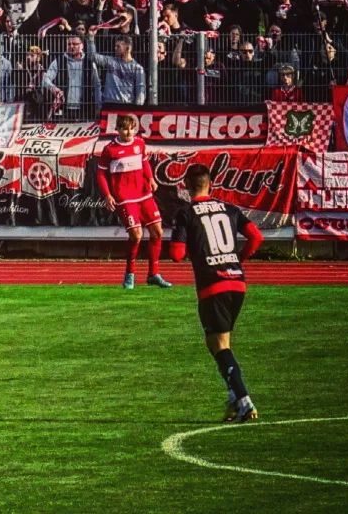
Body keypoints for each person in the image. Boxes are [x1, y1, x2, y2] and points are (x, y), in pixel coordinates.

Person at [169, 163, 264, 423]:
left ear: (187, 187)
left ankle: (244, 400)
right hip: (237, 282)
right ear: (211, 184)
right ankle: (234, 400)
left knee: (218, 345)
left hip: (213, 284)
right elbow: (256, 237)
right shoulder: (230, 208)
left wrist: (197, 251)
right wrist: (238, 259)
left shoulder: (185, 213)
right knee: (220, 343)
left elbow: (176, 255)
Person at [95, 114, 172, 290]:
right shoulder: (110, 150)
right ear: (118, 129)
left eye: (131, 128)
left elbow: (144, 162)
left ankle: (154, 274)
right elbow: (101, 174)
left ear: (135, 129)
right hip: (125, 198)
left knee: (158, 232)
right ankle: (129, 275)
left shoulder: (139, 143)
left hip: (144, 194)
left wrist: (151, 178)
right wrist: (108, 195)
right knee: (136, 235)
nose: (128, 132)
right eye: (124, 128)